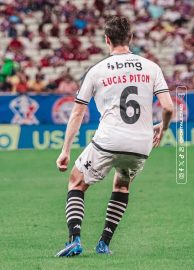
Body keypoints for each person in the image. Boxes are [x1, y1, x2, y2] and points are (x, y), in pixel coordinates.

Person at [55, 16, 174, 257]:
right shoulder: (151, 67)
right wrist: (163, 127)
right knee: (122, 184)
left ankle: (75, 239)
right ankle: (104, 243)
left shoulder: (97, 70)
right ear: (130, 38)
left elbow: (78, 111)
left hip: (109, 139)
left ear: (106, 40)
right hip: (141, 144)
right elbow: (169, 107)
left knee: (77, 180)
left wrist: (65, 150)